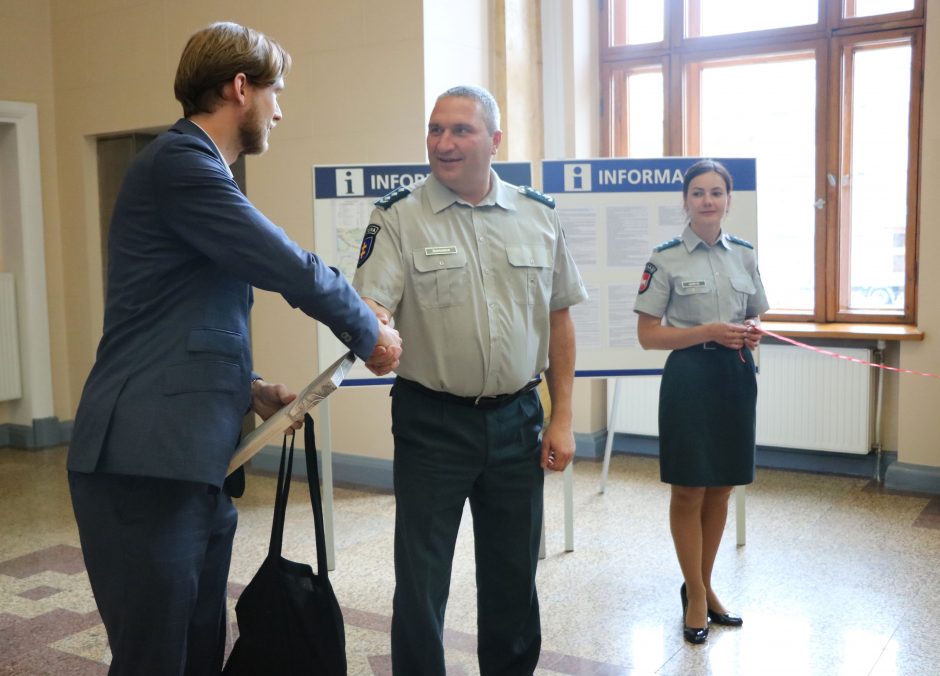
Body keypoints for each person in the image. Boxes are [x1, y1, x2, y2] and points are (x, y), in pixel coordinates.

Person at [66, 22, 401, 675]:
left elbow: (179, 321)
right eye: (276, 91)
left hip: (191, 465)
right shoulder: (180, 164)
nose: (280, 109)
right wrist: (365, 326)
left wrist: (248, 389)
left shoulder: (195, 173)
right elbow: (285, 261)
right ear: (240, 87)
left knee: (194, 653)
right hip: (143, 464)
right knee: (155, 658)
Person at [352, 85, 587, 675]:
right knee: (422, 580)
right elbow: (371, 304)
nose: (444, 143)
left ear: (494, 140)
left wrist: (561, 416)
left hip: (517, 420)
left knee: (513, 576)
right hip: (432, 422)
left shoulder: (538, 214)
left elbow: (558, 319)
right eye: (436, 130)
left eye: (460, 130)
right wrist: (373, 326)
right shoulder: (398, 216)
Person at [633, 159, 768, 645]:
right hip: (690, 377)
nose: (708, 200)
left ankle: (705, 586)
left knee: (722, 488)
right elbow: (649, 336)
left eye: (716, 192)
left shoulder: (746, 255)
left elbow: (757, 317)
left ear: (729, 201)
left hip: (734, 376)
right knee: (689, 489)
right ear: (686, 201)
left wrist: (752, 335)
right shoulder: (664, 258)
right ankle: (694, 597)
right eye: (698, 193)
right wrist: (708, 332)